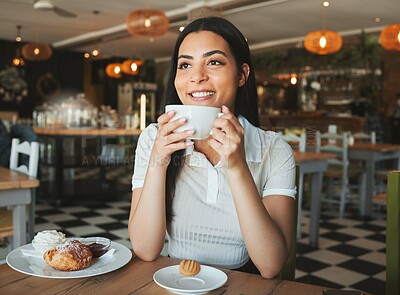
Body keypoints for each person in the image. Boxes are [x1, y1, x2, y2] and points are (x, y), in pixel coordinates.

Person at [128, 16, 296, 279]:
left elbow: (271, 264)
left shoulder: (274, 150)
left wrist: (237, 166)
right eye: (185, 65)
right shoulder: (153, 138)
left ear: (242, 75)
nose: (197, 77)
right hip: (175, 281)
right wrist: (158, 161)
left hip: (245, 283)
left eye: (214, 62)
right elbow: (145, 250)